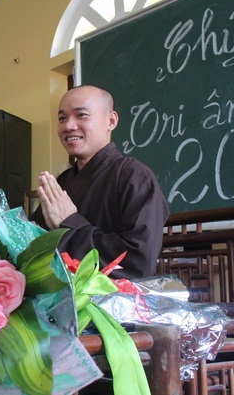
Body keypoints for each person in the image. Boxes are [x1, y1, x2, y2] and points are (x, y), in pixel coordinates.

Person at [31, 85, 169, 279]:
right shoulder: (62, 182)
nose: (68, 126)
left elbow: (138, 261)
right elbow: (32, 243)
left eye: (81, 115)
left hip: (115, 297)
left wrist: (70, 224)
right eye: (62, 118)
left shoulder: (133, 176)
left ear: (111, 121)